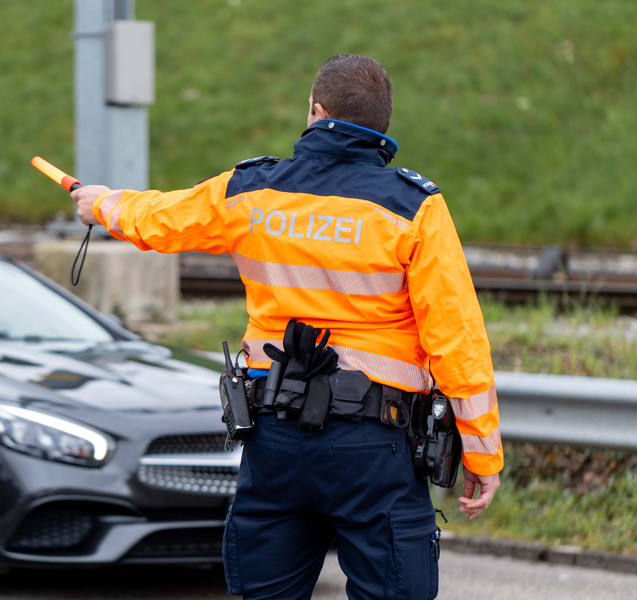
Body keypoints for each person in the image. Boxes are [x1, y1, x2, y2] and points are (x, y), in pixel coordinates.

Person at [72, 54, 502, 600]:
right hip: (373, 447)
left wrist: (102, 204)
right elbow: (458, 340)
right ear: (381, 125)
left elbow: (163, 218)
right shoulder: (413, 208)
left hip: (275, 441)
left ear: (316, 111)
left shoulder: (252, 190)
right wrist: (482, 454)